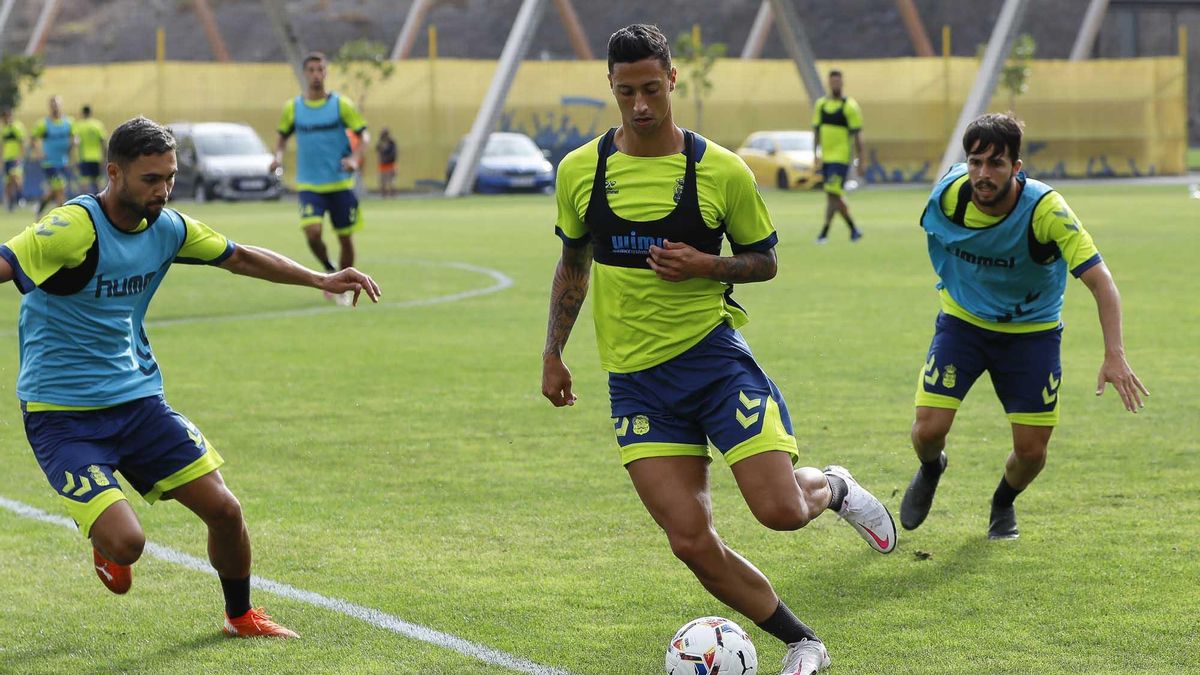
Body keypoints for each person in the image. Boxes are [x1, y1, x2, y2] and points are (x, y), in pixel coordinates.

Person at [540, 25, 895, 675]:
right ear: (612, 88)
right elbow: (573, 265)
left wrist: (706, 264)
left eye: (652, 88)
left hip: (713, 363)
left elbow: (765, 261)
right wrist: (552, 353)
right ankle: (802, 640)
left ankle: (835, 485)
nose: (641, 104)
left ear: (672, 81)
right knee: (690, 540)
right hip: (637, 384)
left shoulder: (720, 171)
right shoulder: (580, 172)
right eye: (627, 92)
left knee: (782, 511)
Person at [0, 116, 381, 638]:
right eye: (150, 180)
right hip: (62, 416)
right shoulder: (72, 229)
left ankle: (240, 616)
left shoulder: (169, 228)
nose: (163, 191)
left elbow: (240, 256)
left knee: (225, 510)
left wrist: (320, 276)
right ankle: (105, 536)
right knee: (127, 542)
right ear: (114, 173)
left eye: (170, 177)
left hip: (137, 403)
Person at [902, 113, 1148, 540]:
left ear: (1017, 168)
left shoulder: (1047, 211)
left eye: (996, 164)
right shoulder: (949, 196)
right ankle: (931, 466)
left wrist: (1115, 355)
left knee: (1031, 453)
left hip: (1031, 334)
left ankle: (1003, 502)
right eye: (975, 162)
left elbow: (1102, 283)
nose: (982, 174)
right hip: (964, 325)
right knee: (928, 430)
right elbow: (936, 239)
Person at [270, 51, 369, 305]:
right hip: (309, 184)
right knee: (312, 233)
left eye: (320, 70)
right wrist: (278, 156)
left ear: (326, 73)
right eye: (311, 70)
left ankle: (343, 286)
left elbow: (364, 135)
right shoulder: (294, 108)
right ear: (305, 74)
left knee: (345, 237)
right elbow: (282, 138)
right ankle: (329, 269)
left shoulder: (341, 105)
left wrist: (354, 159)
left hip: (339, 183)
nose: (316, 75)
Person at [811, 71, 864, 243]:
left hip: (841, 159)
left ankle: (824, 233)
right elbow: (816, 132)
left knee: (832, 193)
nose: (835, 84)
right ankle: (854, 230)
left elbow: (857, 137)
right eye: (832, 81)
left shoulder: (850, 106)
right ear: (829, 83)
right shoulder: (821, 105)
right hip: (826, 158)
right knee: (834, 196)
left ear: (842, 83)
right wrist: (815, 155)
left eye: (838, 81)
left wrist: (861, 161)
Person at [30, 95, 74, 218]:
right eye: (53, 104)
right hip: (49, 162)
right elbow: (33, 139)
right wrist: (39, 152)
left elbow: (74, 137)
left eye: (57, 104)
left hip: (63, 161)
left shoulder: (68, 122)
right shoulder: (44, 124)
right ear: (50, 107)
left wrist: (73, 145)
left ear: (61, 105)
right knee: (60, 187)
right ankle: (61, 217)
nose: (55, 107)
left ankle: (39, 206)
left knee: (54, 190)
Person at [75, 104, 107, 194]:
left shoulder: (79, 125)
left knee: (84, 183)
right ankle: (99, 202)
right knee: (97, 182)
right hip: (96, 158)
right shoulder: (98, 125)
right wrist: (104, 158)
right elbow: (103, 142)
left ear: (82, 113)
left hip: (84, 158)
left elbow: (76, 142)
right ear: (91, 113)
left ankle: (85, 203)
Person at [2, 108, 26, 211]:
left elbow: (22, 143)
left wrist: (20, 156)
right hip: (6, 158)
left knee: (16, 177)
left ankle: (20, 198)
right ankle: (10, 203)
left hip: (15, 158)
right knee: (8, 182)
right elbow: (2, 145)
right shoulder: (3, 130)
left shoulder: (17, 127)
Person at [376, 128, 398, 198]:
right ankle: (384, 195)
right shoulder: (380, 142)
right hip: (382, 165)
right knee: (383, 181)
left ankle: (393, 194)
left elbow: (394, 153)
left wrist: (387, 157)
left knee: (392, 181)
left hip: (390, 164)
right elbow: (377, 148)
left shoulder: (391, 142)